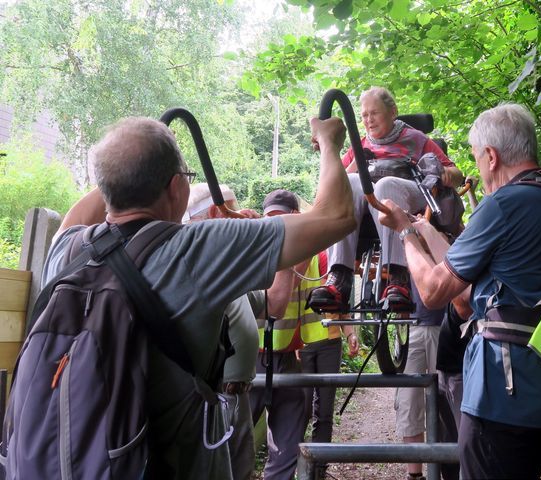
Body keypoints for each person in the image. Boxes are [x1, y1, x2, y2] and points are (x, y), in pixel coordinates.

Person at [40, 115, 356, 480]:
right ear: (176, 188)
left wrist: (132, 159)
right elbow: (336, 217)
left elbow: (92, 203)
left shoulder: (67, 248)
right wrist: (330, 143)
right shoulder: (194, 250)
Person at [379, 103, 541, 479]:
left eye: (476, 158)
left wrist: (403, 234)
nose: (477, 168)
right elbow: (464, 291)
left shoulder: (503, 205)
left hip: (500, 395)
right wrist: (425, 231)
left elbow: (434, 291)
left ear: (492, 156)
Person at [308, 86, 463, 313]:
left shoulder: (416, 139)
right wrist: (350, 160)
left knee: (385, 184)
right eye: (364, 115)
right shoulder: (359, 144)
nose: (369, 120)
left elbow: (454, 172)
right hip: (369, 203)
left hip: (409, 193)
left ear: (392, 112)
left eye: (375, 113)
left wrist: (448, 175)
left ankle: (397, 279)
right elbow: (335, 179)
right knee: (349, 182)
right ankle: (339, 279)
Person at [250, 189, 359, 480]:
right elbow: (277, 300)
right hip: (252, 360)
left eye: (283, 217)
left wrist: (348, 330)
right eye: (271, 217)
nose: (277, 224)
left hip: (291, 355)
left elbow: (335, 297)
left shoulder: (314, 257)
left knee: (291, 439)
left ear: (296, 219)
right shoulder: (256, 248)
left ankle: (312, 471)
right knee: (233, 443)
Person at [183, 183, 260, 480]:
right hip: (214, 399)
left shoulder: (225, 266)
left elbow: (273, 304)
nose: (241, 221)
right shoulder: (200, 260)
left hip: (234, 398)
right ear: (217, 212)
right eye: (235, 213)